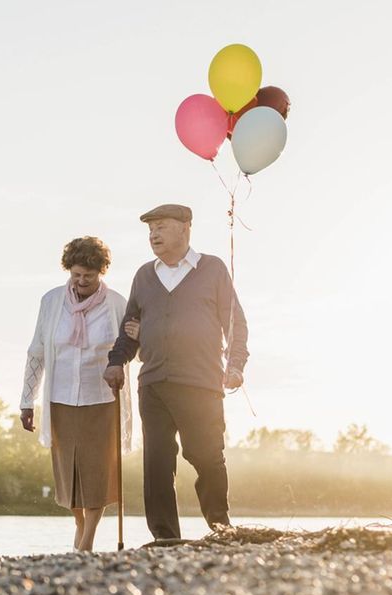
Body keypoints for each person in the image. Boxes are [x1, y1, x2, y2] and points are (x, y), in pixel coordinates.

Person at [103, 204, 249, 543]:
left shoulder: (211, 269)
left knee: (207, 456)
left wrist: (236, 364)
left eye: (161, 227)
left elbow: (235, 322)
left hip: (200, 382)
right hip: (153, 382)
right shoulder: (144, 275)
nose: (153, 234)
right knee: (156, 462)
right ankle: (164, 537)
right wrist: (116, 360)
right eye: (150, 229)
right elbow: (129, 328)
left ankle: (220, 527)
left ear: (185, 229)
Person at [21, 236, 133, 552]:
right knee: (68, 471)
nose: (82, 282)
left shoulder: (117, 305)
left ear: (102, 273)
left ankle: (87, 541)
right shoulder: (51, 302)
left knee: (98, 472)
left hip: (102, 398)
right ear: (68, 271)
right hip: (61, 397)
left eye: (89, 276)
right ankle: (80, 522)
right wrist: (26, 400)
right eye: (76, 275)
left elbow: (128, 351)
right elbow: (37, 352)